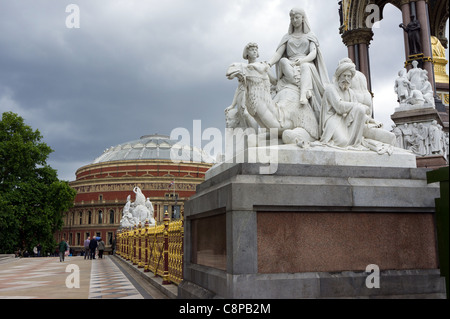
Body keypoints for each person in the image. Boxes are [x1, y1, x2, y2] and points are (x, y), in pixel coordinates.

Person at [267, 7, 329, 116]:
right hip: (290, 65)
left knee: (305, 67)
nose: (294, 20)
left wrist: (302, 60)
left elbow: (313, 53)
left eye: (297, 17)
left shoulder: (310, 35)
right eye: (292, 18)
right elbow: (278, 54)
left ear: (303, 18)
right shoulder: (287, 37)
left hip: (306, 62)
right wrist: (268, 63)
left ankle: (303, 94)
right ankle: (301, 85)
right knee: (283, 61)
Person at [319, 59, 369, 148]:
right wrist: (358, 105)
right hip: (333, 120)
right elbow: (339, 107)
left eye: (349, 76)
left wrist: (371, 120)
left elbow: (357, 109)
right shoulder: (331, 88)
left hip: (346, 120)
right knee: (342, 142)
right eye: (344, 75)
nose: (346, 79)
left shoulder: (351, 92)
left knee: (360, 109)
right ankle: (351, 142)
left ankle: (355, 142)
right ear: (339, 76)